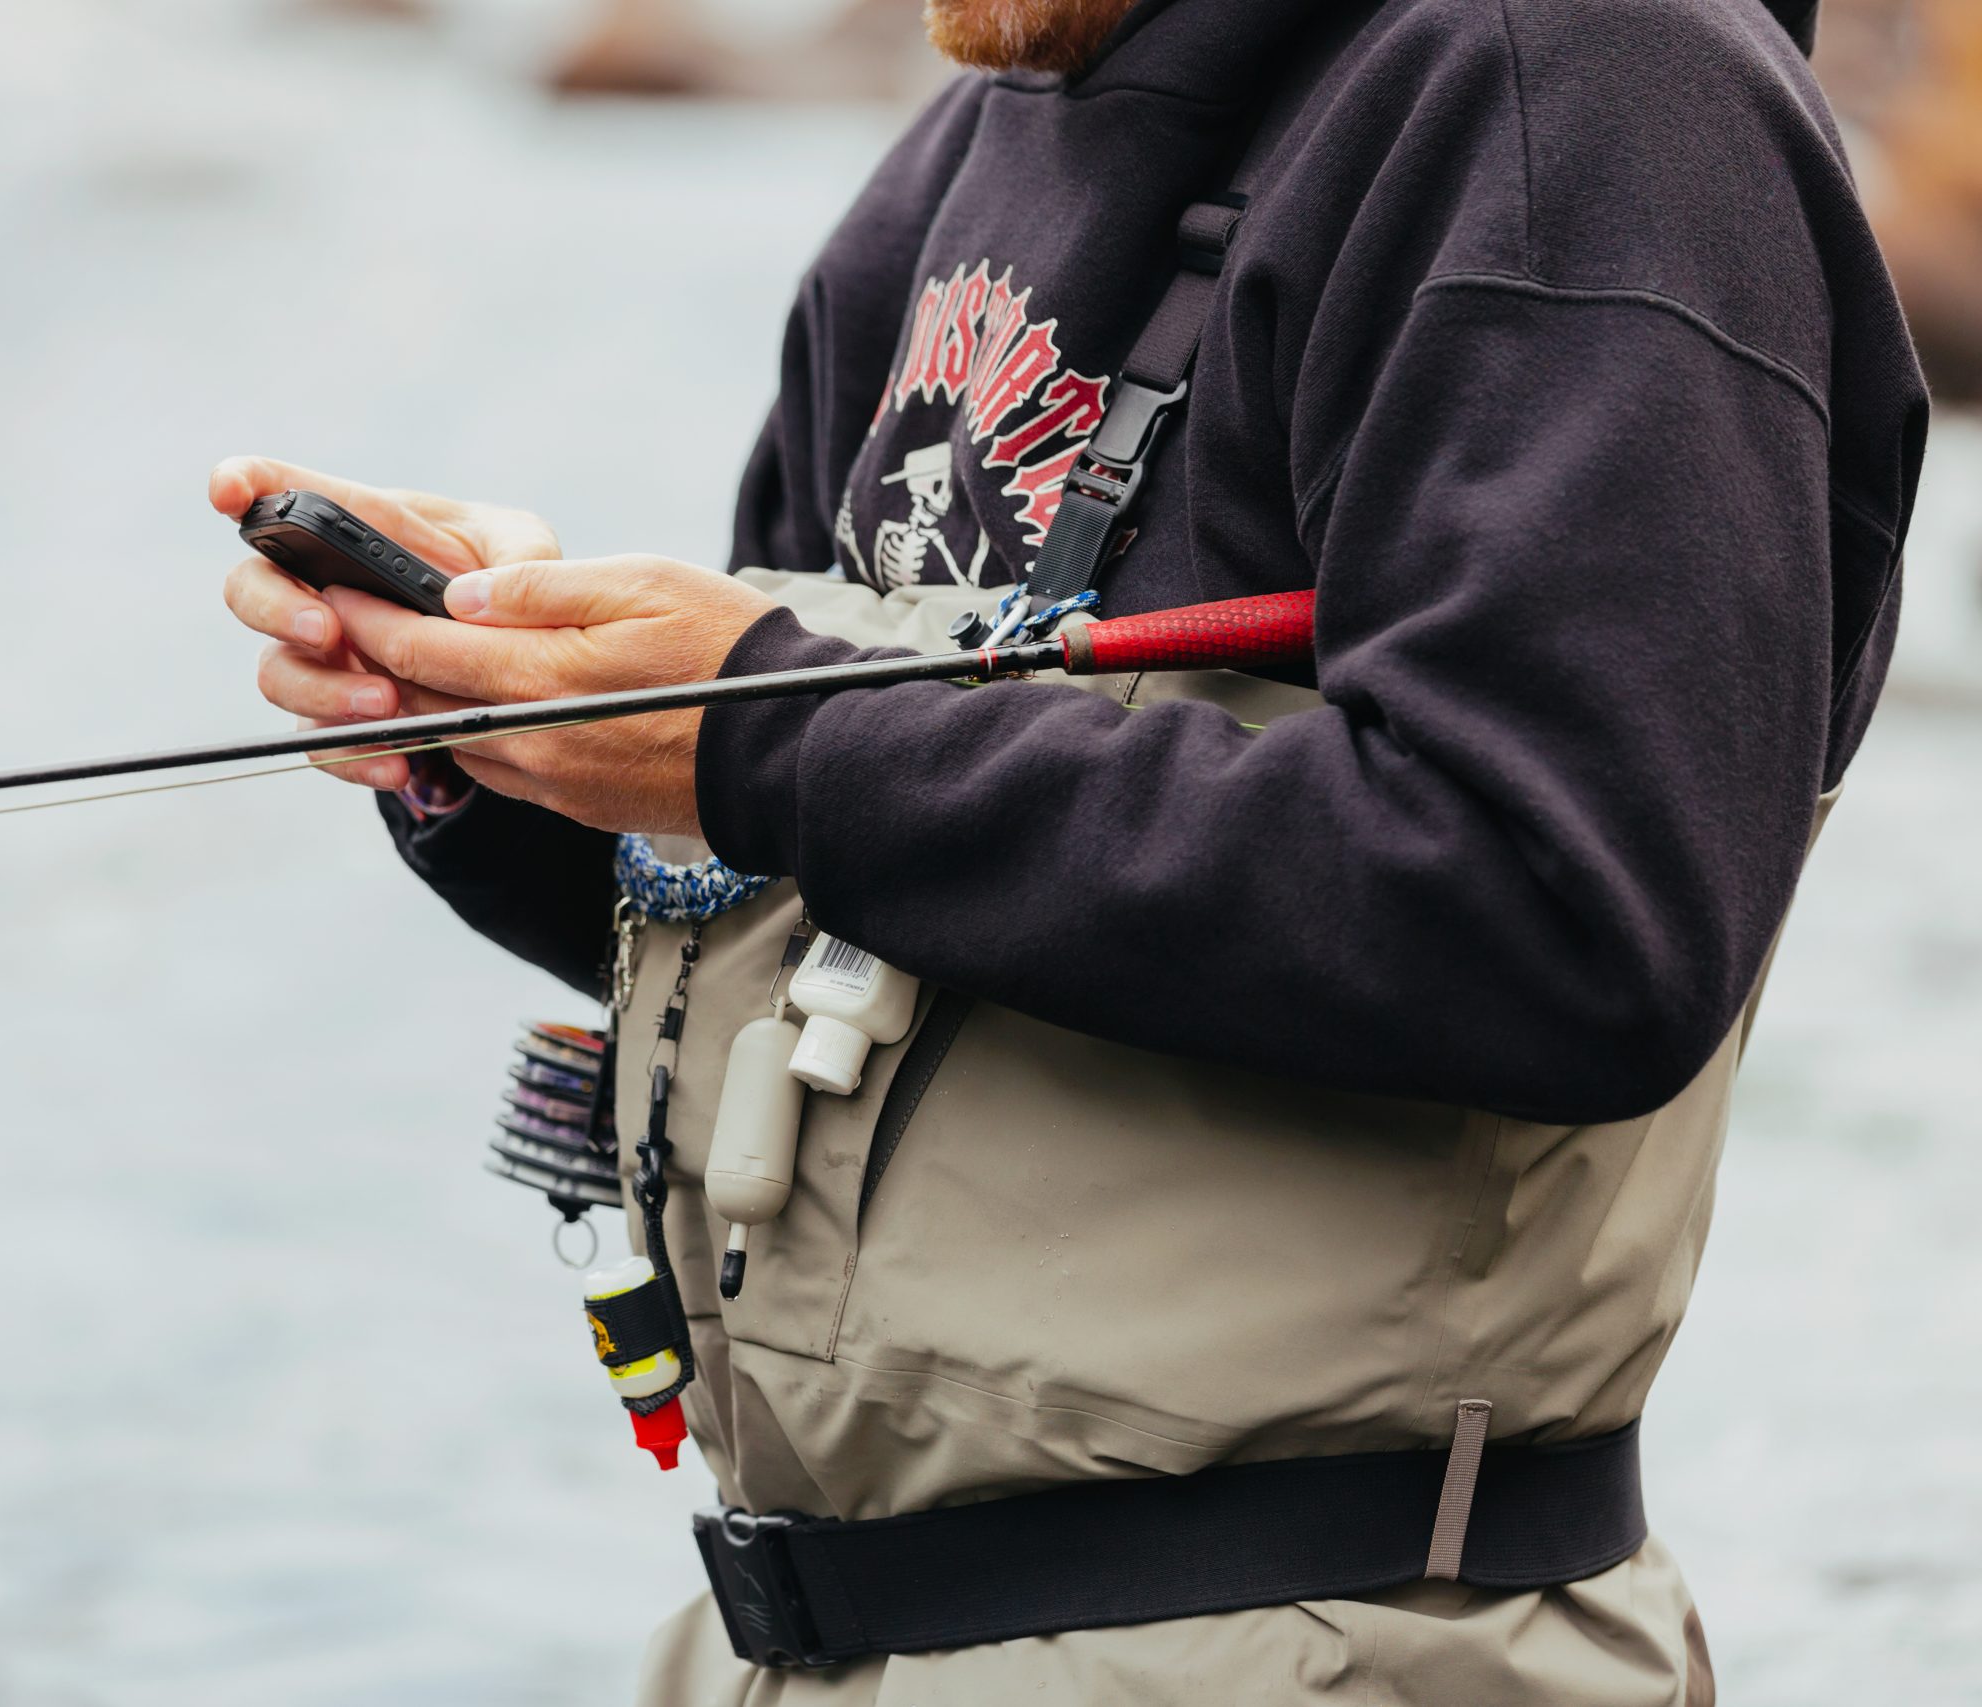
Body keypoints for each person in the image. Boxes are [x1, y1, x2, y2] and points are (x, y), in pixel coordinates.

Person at [211, 0, 1926, 1699]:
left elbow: (1566, 916)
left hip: (1320, 1647)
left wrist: (757, 731)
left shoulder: (1597, 89)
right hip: (808, 1642)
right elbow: (818, 905)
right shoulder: (982, 132)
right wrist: (508, 735)